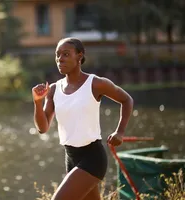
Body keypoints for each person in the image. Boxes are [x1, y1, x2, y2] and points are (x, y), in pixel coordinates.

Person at [32, 37, 134, 200]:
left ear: (79, 56)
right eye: (57, 55)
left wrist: (120, 132)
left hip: (92, 158)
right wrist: (37, 102)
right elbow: (42, 128)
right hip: (71, 157)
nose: (60, 58)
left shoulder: (95, 84)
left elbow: (127, 100)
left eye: (66, 54)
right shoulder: (53, 90)